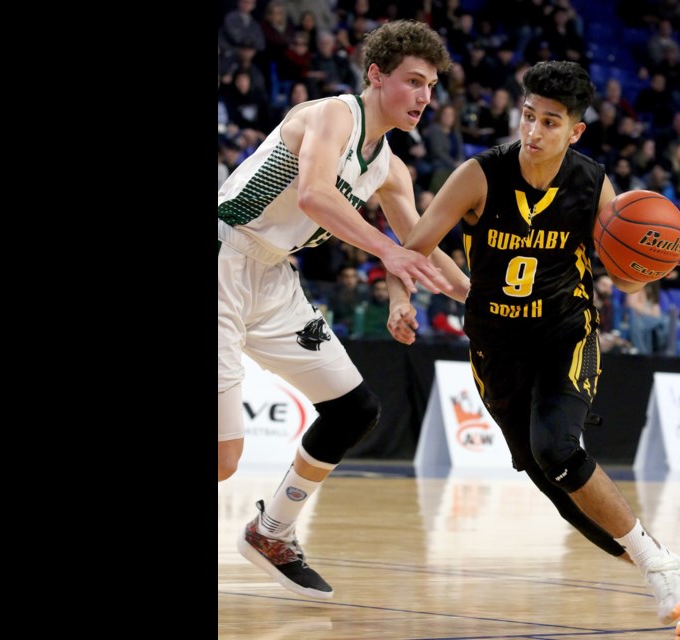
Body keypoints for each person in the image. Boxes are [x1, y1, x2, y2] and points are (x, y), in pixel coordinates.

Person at [385, 61, 680, 637]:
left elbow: (629, 279)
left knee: (558, 448)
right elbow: (409, 248)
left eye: (551, 122)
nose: (534, 132)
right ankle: (679, 570)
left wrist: (652, 264)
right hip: (496, 349)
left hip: (566, 334)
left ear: (576, 131)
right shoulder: (479, 175)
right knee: (559, 489)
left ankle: (662, 570)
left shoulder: (594, 185)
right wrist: (398, 300)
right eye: (529, 117)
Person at [218, 20, 470, 600]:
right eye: (413, 82)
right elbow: (315, 195)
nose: (424, 97)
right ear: (376, 76)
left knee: (354, 410)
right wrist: (389, 254)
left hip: (275, 279)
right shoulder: (331, 114)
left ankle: (271, 531)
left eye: (431, 85)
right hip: (226, 254)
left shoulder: (392, 170)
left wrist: (480, 304)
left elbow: (420, 248)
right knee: (225, 458)